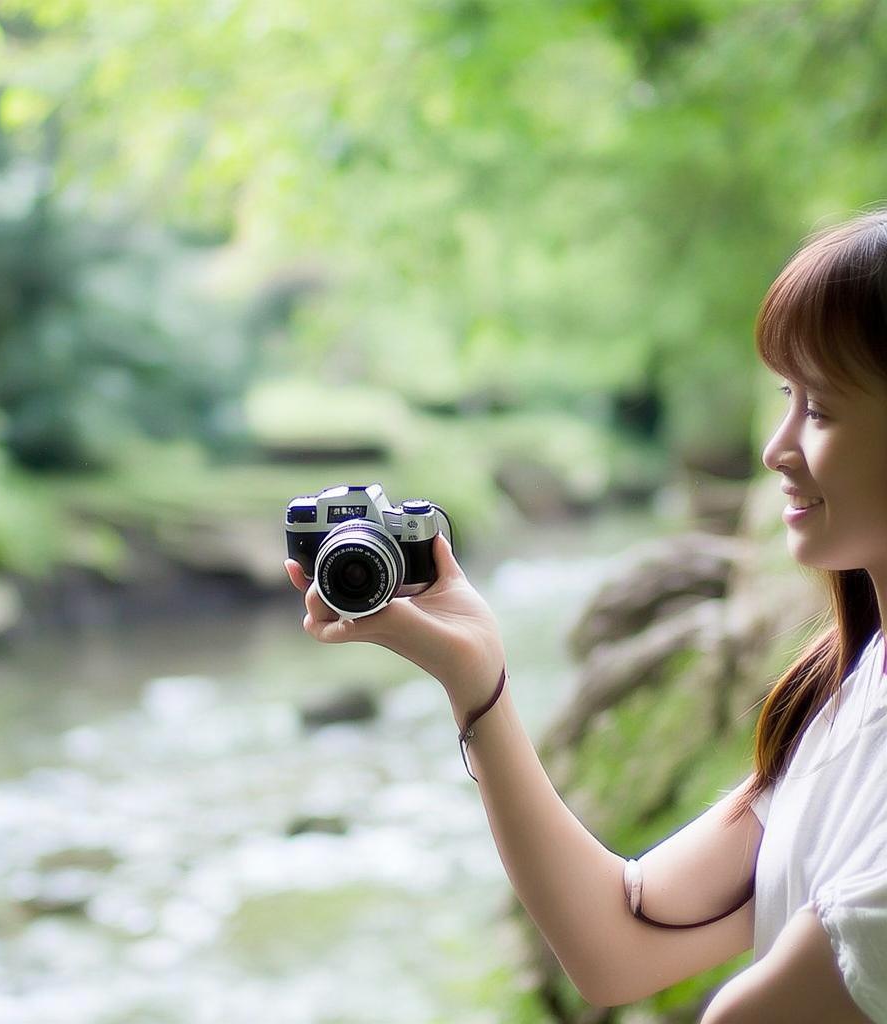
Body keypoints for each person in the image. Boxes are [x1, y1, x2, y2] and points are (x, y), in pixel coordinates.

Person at [284, 209, 887, 1023]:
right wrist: (475, 675)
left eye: (819, 409)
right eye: (785, 395)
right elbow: (616, 941)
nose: (775, 448)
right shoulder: (847, 692)